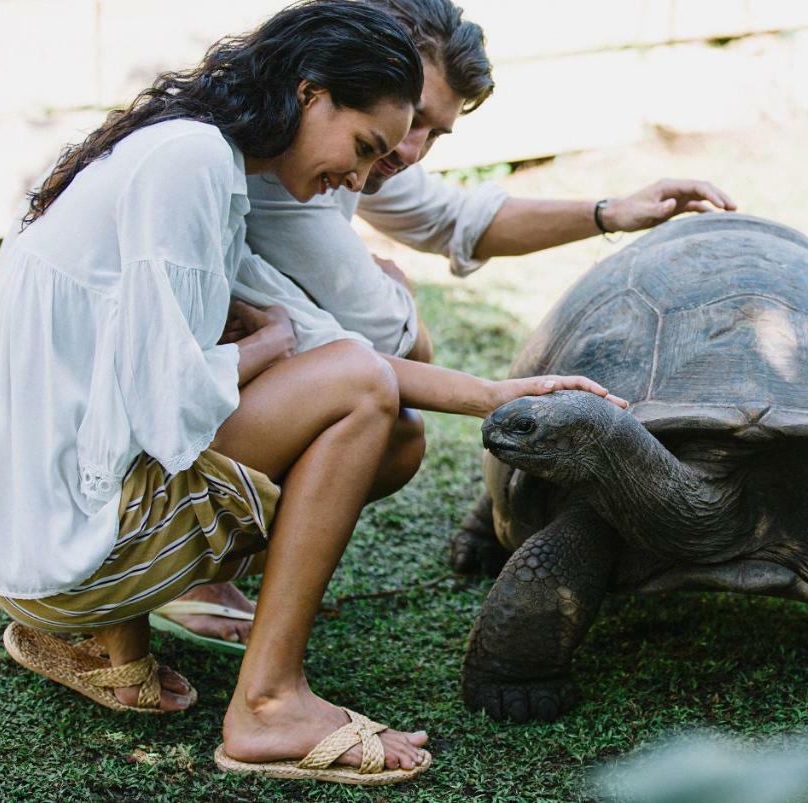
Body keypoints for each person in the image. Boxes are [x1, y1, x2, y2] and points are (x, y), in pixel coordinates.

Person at [0, 0, 623, 787]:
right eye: (365, 148)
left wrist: (497, 394)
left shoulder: (194, 153)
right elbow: (169, 401)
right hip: (58, 553)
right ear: (309, 94)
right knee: (361, 391)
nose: (363, 178)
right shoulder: (193, 164)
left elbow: (314, 343)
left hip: (29, 549)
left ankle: (108, 638)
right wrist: (265, 344)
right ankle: (267, 702)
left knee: (363, 386)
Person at [160, 0, 736, 648]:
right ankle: (182, 574)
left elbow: (453, 217)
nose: (410, 149)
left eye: (433, 133)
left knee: (393, 426)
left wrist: (610, 211)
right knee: (379, 416)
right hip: (160, 417)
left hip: (204, 392)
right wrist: (397, 294)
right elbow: (391, 341)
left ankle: (205, 570)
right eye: (412, 119)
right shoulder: (281, 174)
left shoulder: (351, 149)